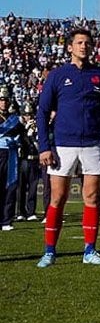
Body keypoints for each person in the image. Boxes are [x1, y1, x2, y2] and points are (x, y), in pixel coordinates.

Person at [36, 29, 100, 267]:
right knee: (58, 198)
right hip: (63, 145)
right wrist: (44, 146)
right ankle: (50, 251)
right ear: (70, 47)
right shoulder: (57, 75)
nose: (84, 46)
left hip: (93, 144)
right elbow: (42, 112)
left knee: (92, 198)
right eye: (79, 42)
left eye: (88, 43)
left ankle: (90, 251)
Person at [0, 86, 31, 231]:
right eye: (1, 100)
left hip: (11, 154)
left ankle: (6, 219)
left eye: (5, 100)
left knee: (11, 187)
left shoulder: (14, 119)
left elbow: (23, 137)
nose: (4, 103)